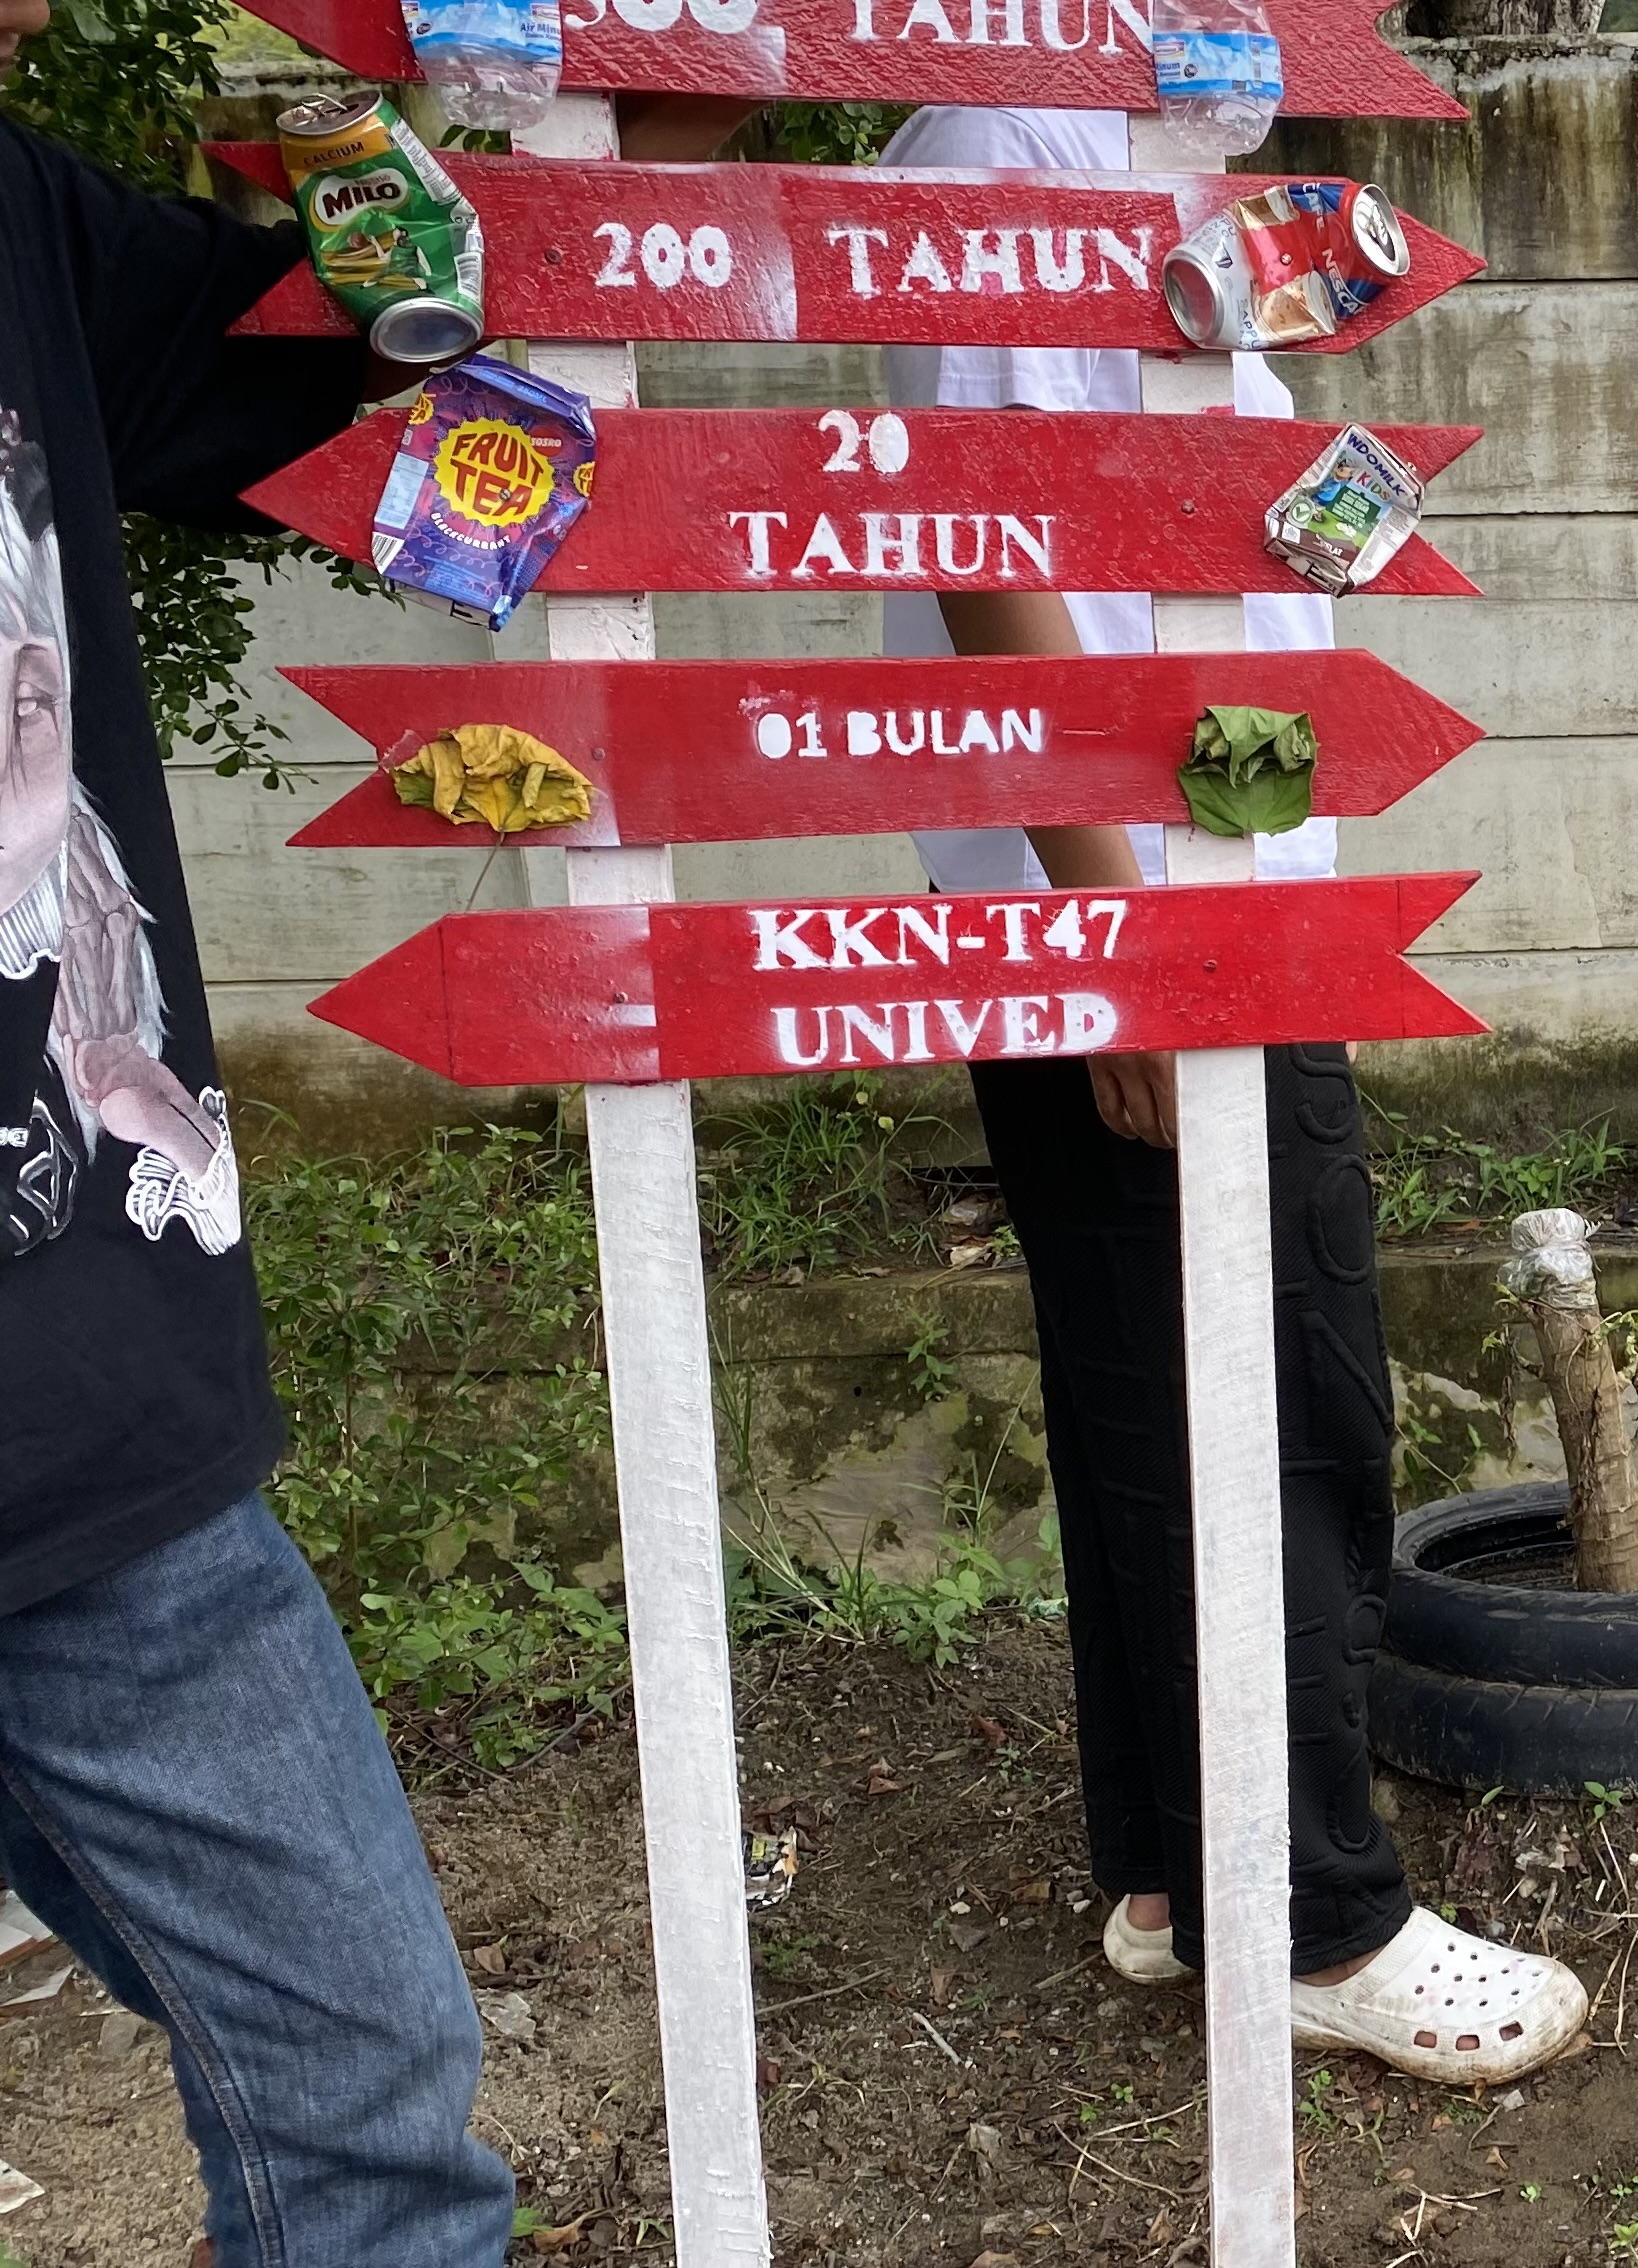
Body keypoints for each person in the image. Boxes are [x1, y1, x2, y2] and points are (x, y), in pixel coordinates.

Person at [0, 31, 752, 2258]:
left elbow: (370, 376)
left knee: (364, 2124)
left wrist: (620, 144)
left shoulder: (17, 209)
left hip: (89, 1429)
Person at [870, 101, 1586, 2084]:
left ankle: (1188, 1871)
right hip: (1147, 930)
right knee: (1273, 1415)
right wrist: (1126, 956)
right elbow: (986, 565)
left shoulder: (1149, 156)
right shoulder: (999, 154)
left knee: (1159, 1402)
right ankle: (1320, 1923)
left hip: (1218, 899)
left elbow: (1206, 526)